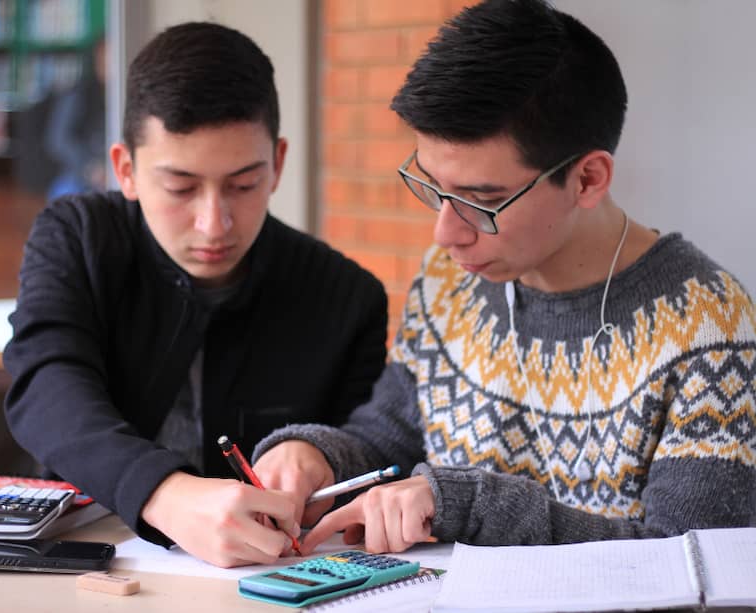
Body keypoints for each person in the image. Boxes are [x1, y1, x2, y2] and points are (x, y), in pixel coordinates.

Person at [252, 0, 756, 556]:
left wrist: (471, 504)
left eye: (481, 201)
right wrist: (315, 456)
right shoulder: (452, 281)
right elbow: (391, 435)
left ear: (587, 178)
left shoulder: (707, 324)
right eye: (433, 186)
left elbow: (694, 562)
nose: (447, 233)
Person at [2, 22, 388, 568]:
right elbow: (45, 386)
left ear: (277, 164)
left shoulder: (346, 297)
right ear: (126, 170)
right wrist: (162, 492)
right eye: (181, 188)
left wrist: (320, 453)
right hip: (85, 566)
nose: (214, 224)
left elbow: (371, 446)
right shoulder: (79, 238)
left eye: (243, 184)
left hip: (271, 583)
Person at [43, 37, 107, 201]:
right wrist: (90, 167)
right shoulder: (79, 94)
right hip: (82, 173)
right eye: (104, 56)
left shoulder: (125, 93)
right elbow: (59, 140)